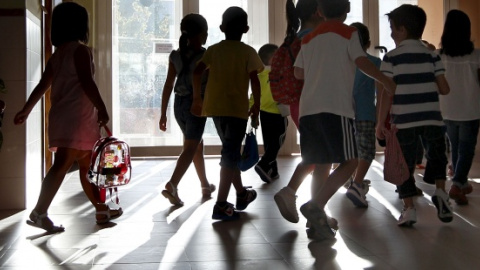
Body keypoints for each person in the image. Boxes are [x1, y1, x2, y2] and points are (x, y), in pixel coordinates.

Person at [14, 2, 119, 232]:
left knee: (85, 166)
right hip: (77, 119)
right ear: (81, 26)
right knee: (63, 166)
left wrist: (26, 109)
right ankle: (39, 212)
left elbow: (43, 85)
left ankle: (101, 209)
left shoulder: (58, 55)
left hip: (66, 118)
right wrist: (101, 107)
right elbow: (87, 82)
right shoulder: (80, 51)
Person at [295, 0, 395, 240]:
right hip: (335, 109)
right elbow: (361, 62)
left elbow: (298, 72)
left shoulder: (308, 38)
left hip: (308, 110)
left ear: (319, 11)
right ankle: (315, 205)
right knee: (351, 161)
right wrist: (385, 80)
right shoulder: (349, 32)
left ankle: (315, 222)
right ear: (348, 9)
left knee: (321, 164)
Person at [376, 4, 451, 226]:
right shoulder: (431, 55)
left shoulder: (392, 58)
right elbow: (445, 89)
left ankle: (409, 209)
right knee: (437, 156)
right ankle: (440, 193)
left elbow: (386, 95)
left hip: (404, 121)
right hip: (432, 118)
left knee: (404, 165)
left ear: (402, 30)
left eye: (392, 28)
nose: (390, 32)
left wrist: (381, 123)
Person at [191, 6, 263, 221]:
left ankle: (241, 194)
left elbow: (196, 72)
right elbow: (255, 81)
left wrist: (197, 98)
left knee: (230, 152)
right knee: (230, 155)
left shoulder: (213, 50)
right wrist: (256, 106)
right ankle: (221, 204)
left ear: (221, 27)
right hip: (236, 110)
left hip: (215, 109)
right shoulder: (248, 52)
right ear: (247, 28)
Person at [274, 0, 325, 224]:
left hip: (299, 103)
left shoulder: (295, 38)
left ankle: (317, 209)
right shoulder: (314, 39)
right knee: (320, 156)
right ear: (318, 11)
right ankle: (293, 194)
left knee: (318, 156)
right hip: (314, 102)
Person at [159, 14, 215, 206]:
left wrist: (162, 113)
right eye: (205, 33)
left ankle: (205, 185)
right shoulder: (206, 56)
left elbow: (168, 85)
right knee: (191, 147)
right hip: (196, 105)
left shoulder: (175, 55)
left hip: (178, 105)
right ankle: (172, 185)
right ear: (201, 34)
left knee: (196, 144)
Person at [437, 10, 480, 205]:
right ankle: (457, 184)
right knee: (467, 149)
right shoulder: (476, 56)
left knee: (455, 147)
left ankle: (461, 184)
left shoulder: (439, 56)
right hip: (470, 109)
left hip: (446, 109)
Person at [344, 22, 381, 208]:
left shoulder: (342, 63)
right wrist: (380, 118)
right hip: (366, 112)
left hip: (345, 112)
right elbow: (380, 94)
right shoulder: (374, 63)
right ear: (368, 43)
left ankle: (352, 180)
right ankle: (357, 184)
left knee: (349, 150)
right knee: (366, 150)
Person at [253, 43, 289, 183]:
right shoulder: (279, 73)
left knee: (269, 142)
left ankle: (273, 171)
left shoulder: (259, 74)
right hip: (278, 111)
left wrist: (253, 110)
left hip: (263, 112)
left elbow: (254, 94)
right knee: (278, 141)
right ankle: (263, 164)